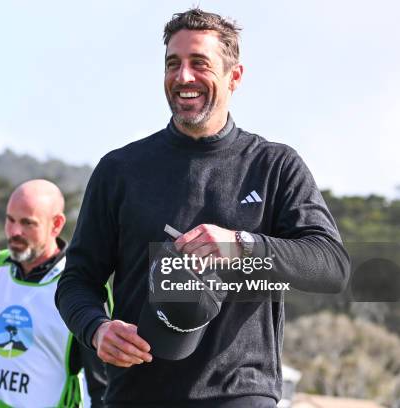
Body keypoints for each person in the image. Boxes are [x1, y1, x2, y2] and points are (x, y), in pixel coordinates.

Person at [55, 8, 350, 408]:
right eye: (172, 64)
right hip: (135, 395)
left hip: (240, 394)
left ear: (235, 77)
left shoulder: (274, 166)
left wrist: (242, 245)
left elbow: (331, 266)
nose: (183, 77)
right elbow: (76, 281)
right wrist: (96, 328)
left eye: (200, 64)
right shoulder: (120, 170)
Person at [0, 179, 107, 408]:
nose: (14, 231)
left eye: (27, 223)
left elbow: (103, 384)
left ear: (56, 224)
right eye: (10, 220)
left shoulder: (80, 287)